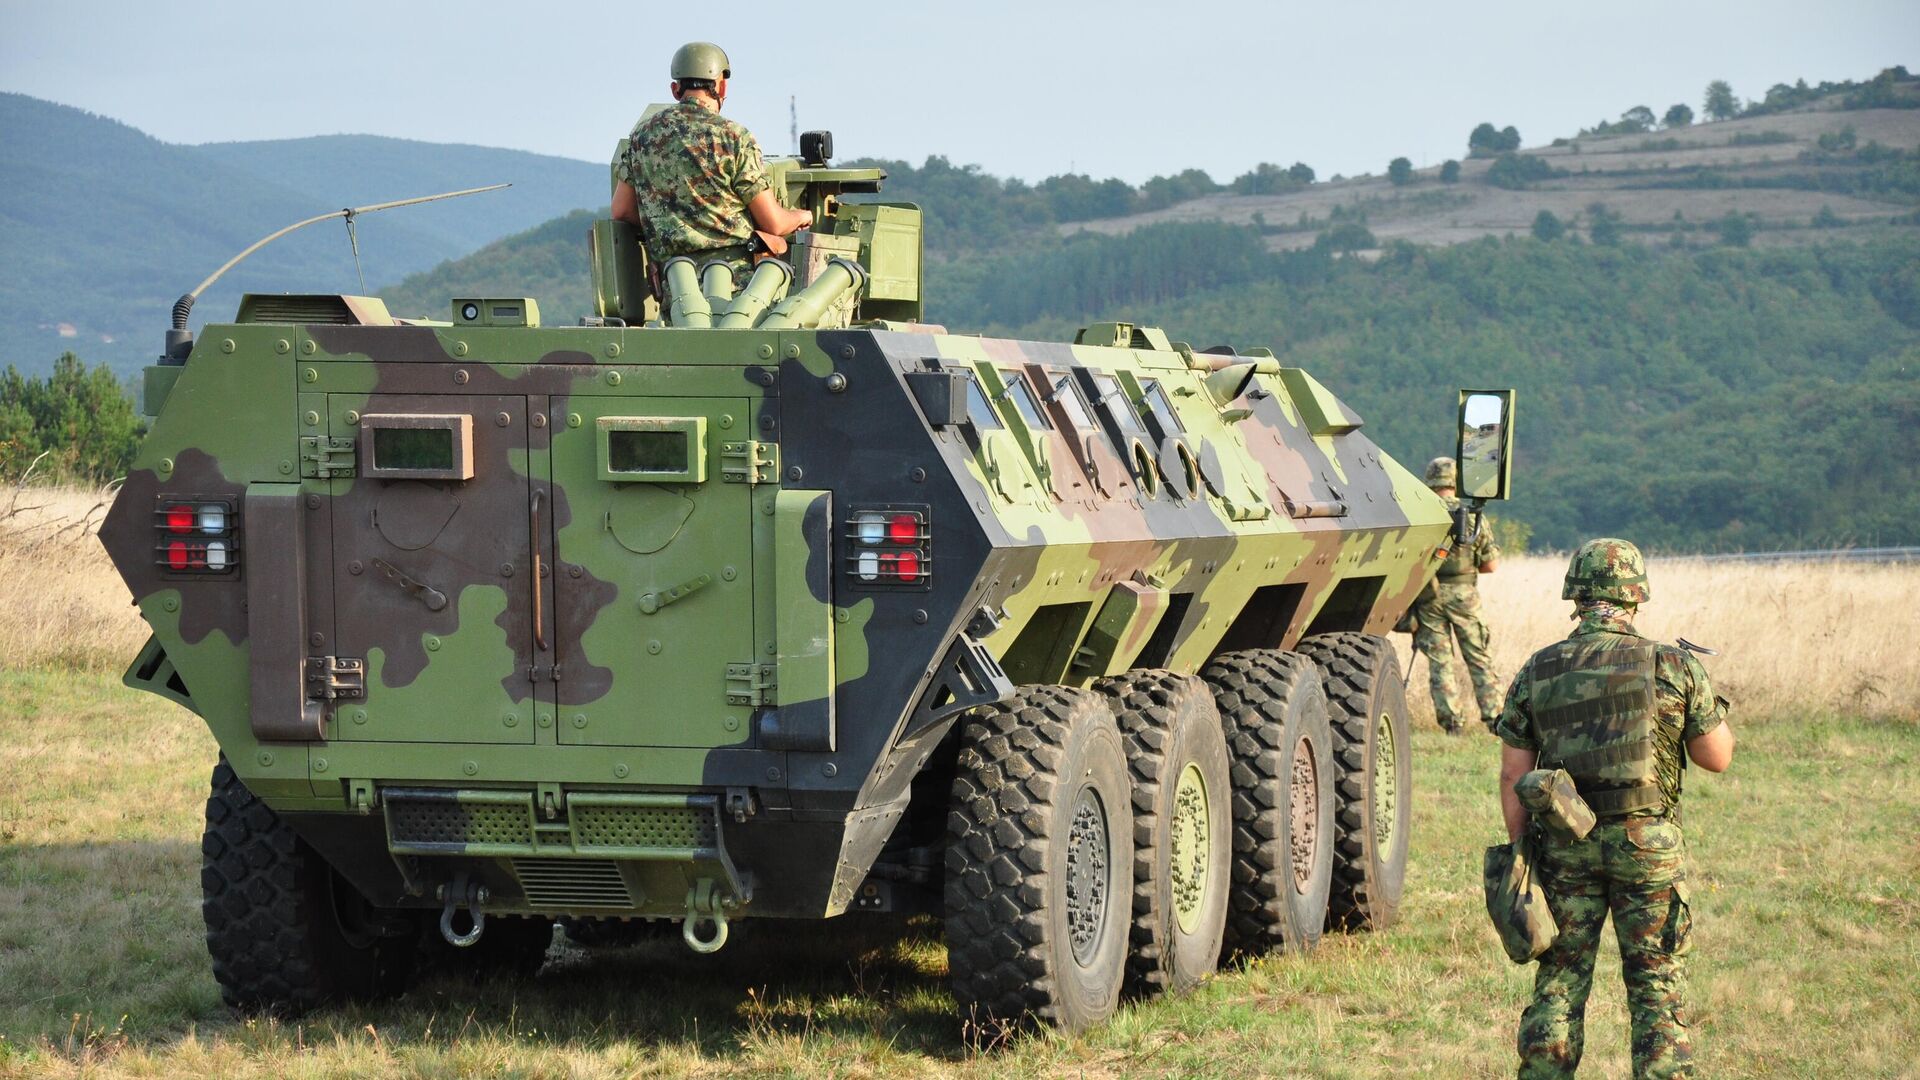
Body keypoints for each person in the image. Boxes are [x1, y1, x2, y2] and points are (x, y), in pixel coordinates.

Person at [1495, 537, 1735, 1079]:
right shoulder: (1672, 664)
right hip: (1648, 851)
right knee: (1656, 993)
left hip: (1564, 852)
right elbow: (1716, 757)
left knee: (1558, 984)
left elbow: (1514, 774)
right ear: (1636, 597)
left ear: (1575, 597)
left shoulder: (1539, 668)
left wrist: (1521, 855)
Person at [611, 41, 812, 270]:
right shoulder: (734, 137)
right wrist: (800, 216)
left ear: (675, 90)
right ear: (722, 87)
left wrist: (670, 223)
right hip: (737, 287)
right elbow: (774, 223)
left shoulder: (641, 136)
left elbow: (622, 210)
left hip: (676, 289)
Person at [1412, 456, 1503, 733]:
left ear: (1430, 481)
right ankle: (1494, 719)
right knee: (1478, 657)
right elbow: (1490, 564)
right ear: (1455, 480)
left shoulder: (1420, 514)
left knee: (1440, 662)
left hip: (1429, 595)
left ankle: (1452, 724)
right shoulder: (1472, 515)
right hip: (1464, 596)